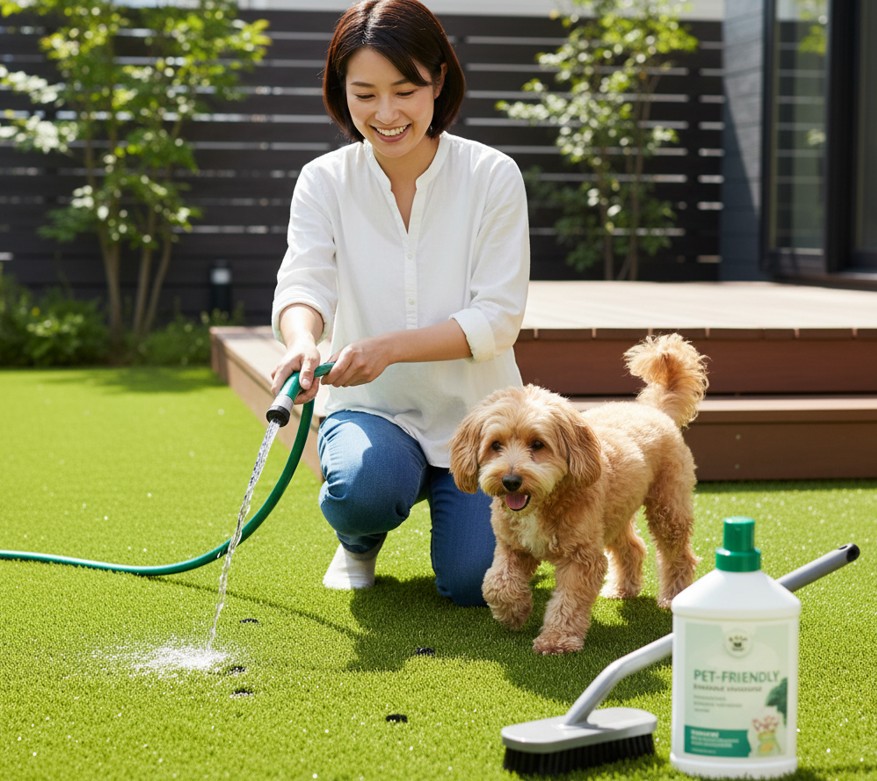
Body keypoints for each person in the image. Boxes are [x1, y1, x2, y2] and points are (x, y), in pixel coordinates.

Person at [270, 0, 530, 606]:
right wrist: (303, 341)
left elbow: (498, 317)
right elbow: (304, 282)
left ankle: (458, 522)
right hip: (374, 411)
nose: (386, 114)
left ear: (439, 80)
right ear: (342, 92)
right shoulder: (324, 180)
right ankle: (358, 540)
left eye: (406, 90)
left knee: (471, 585)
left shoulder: (492, 175)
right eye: (364, 94)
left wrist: (388, 349)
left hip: (480, 424)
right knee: (363, 486)